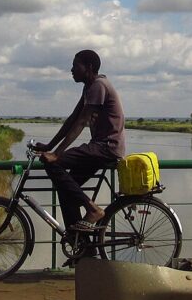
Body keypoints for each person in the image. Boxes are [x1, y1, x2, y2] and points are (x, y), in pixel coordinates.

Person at [34, 49, 125, 233]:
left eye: (76, 65)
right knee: (67, 192)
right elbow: (73, 119)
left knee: (54, 165)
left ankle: (93, 209)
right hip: (100, 148)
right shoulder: (89, 87)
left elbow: (82, 122)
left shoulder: (99, 86)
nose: (71, 69)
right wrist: (49, 146)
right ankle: (79, 245)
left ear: (89, 67)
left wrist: (56, 154)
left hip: (106, 148)